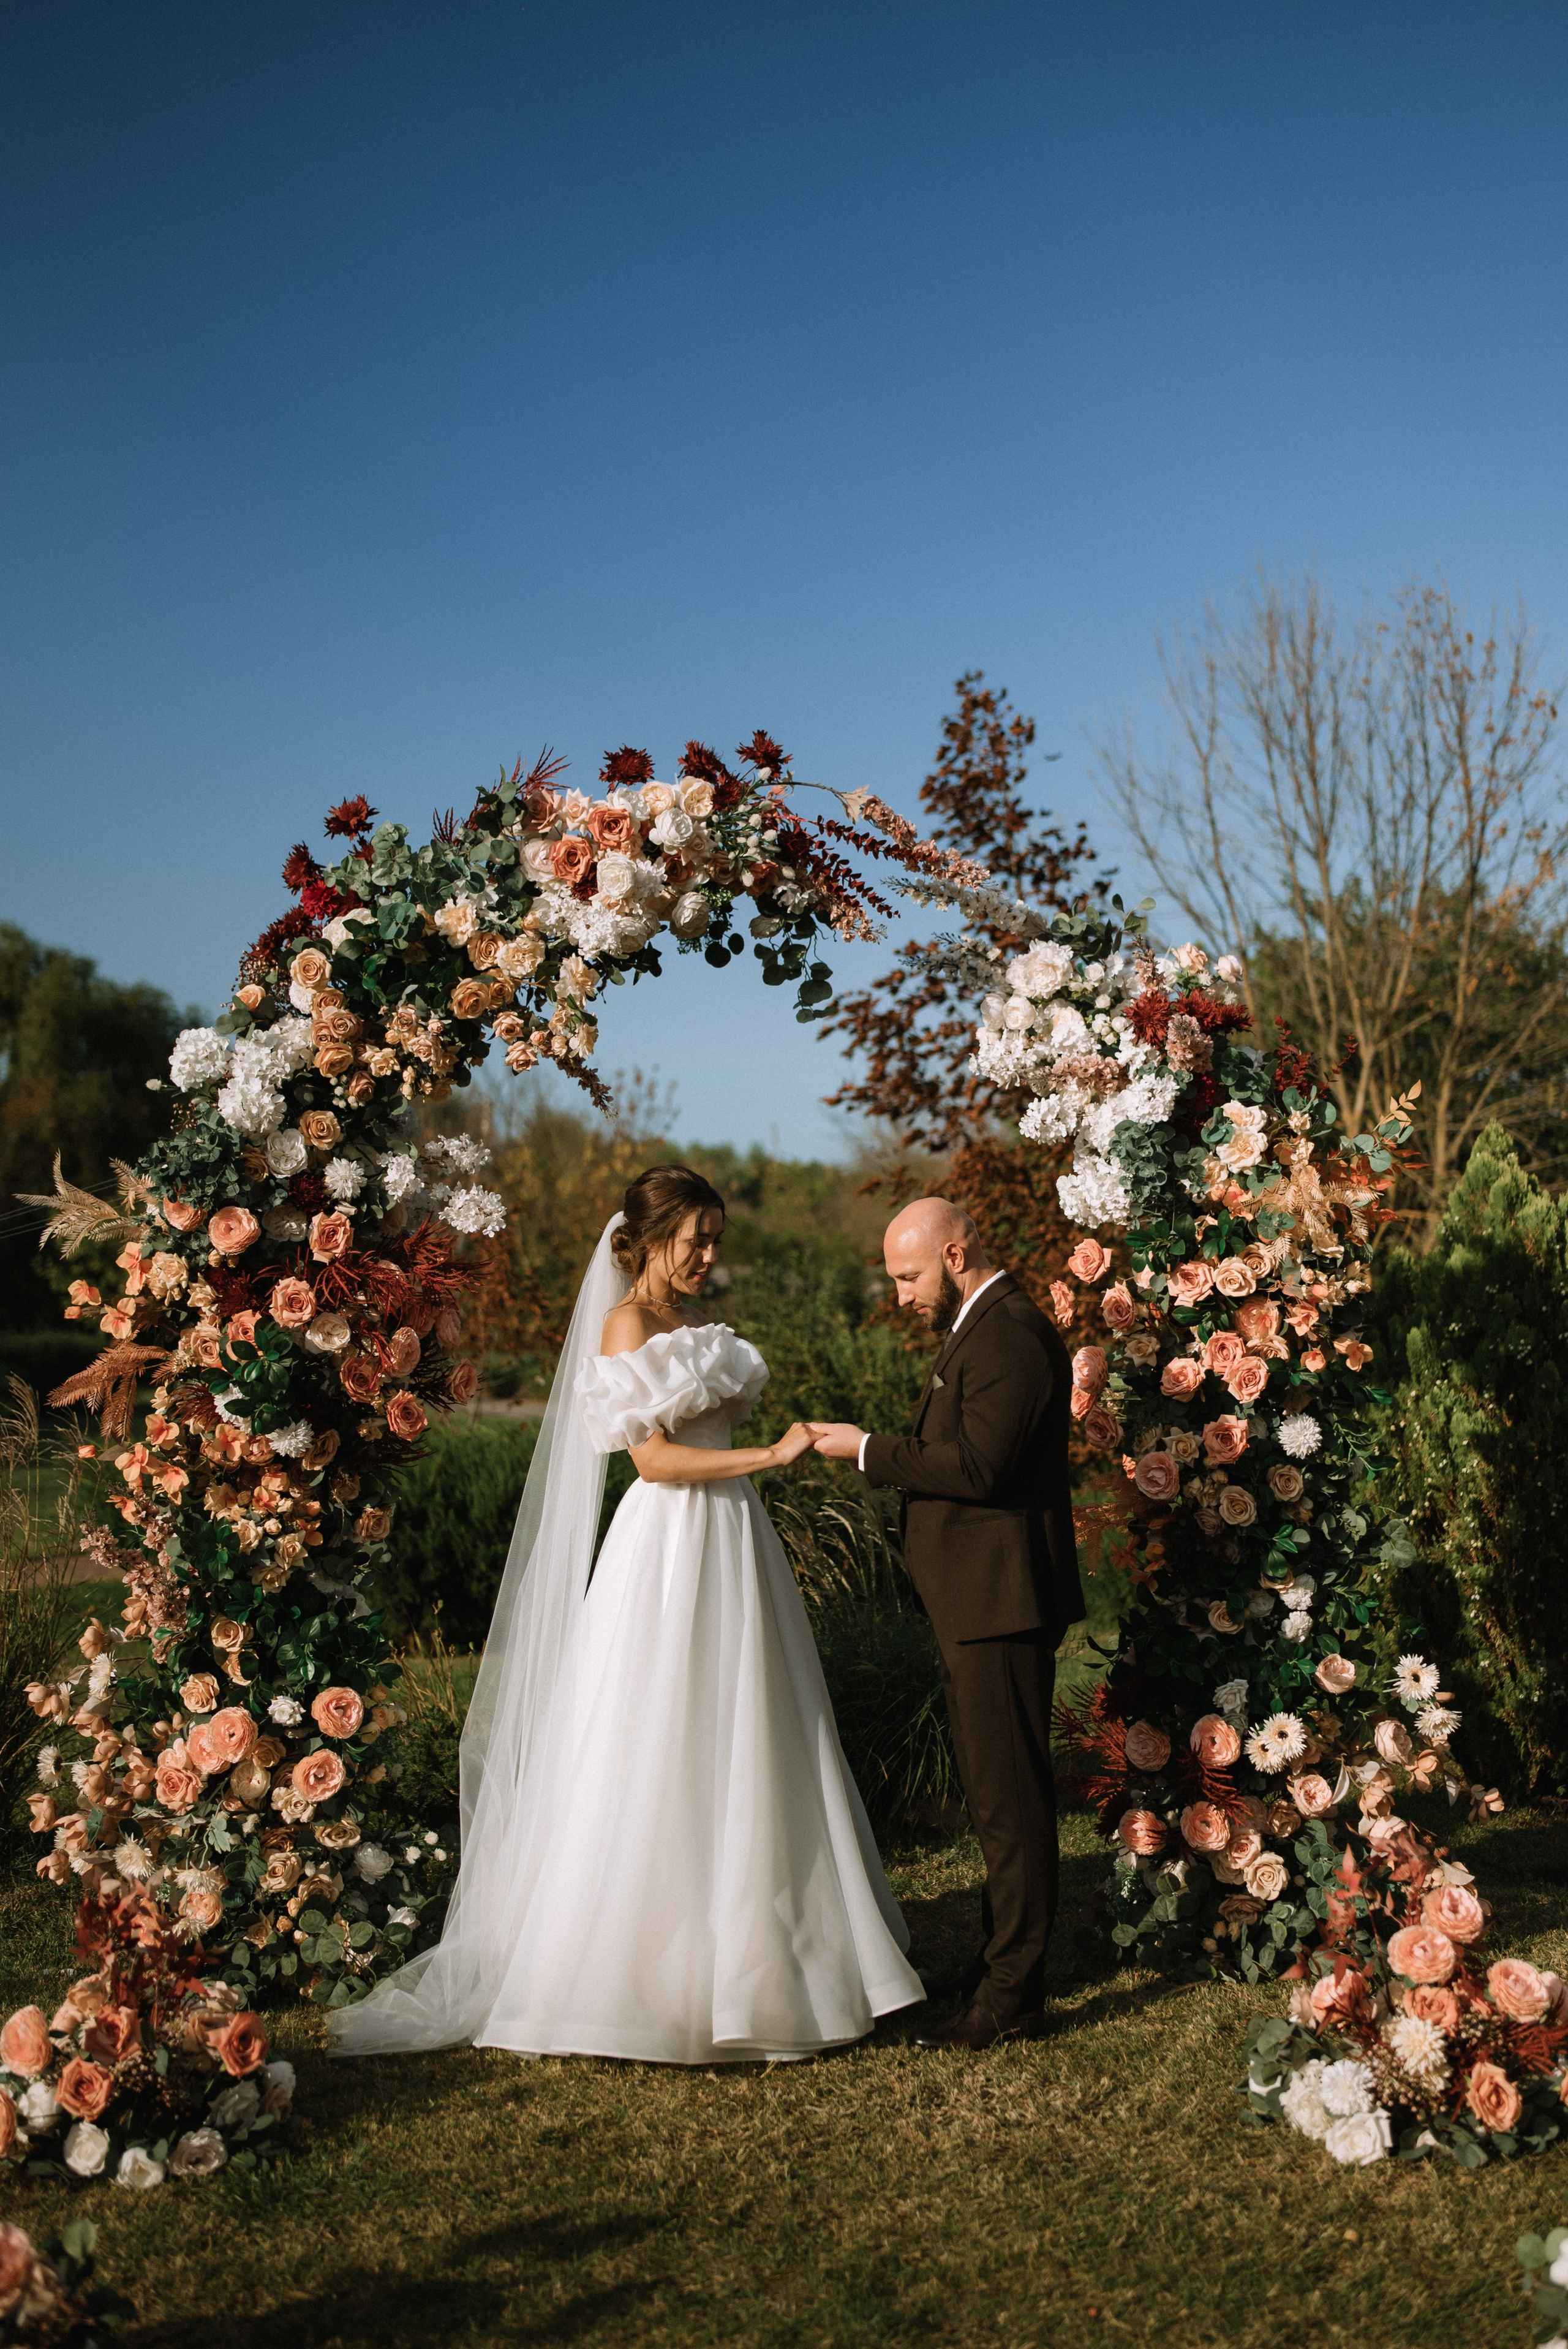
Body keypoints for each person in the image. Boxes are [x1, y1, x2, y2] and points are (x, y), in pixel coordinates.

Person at [330, 1165, 922, 2065]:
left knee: (752, 1722)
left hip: (732, 1538)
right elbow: (654, 1462)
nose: (709, 1256)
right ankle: (643, 1966)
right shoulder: (625, 1324)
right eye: (696, 1240)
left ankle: (769, 1946)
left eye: (716, 1240)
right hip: (670, 1542)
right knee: (658, 1726)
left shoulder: (692, 1320)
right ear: (647, 1240)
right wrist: (770, 1456)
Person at [810, 1197, 1084, 2049]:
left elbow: (978, 1467)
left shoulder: (1006, 1334)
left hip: (1001, 1604)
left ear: (955, 1255)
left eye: (908, 1276)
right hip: (979, 1603)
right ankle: (1000, 1966)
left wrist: (866, 1449)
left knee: (1011, 1805)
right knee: (995, 1799)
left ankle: (1013, 1998)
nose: (900, 1296)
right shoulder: (981, 1326)